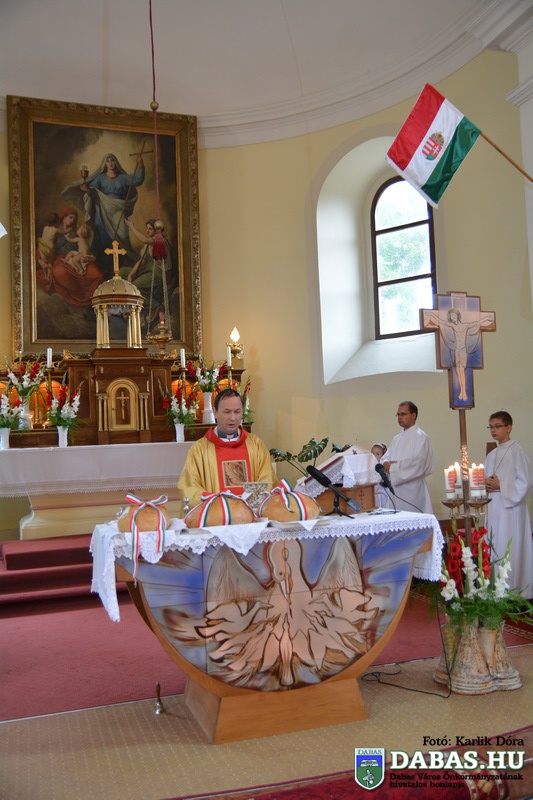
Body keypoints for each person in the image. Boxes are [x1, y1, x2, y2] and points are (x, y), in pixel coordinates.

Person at [178, 388, 277, 507]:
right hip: (217, 514)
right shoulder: (199, 450)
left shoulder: (256, 445)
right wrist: (218, 504)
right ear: (215, 412)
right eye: (227, 412)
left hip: (251, 513)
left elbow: (267, 480)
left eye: (237, 412)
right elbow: (189, 487)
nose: (233, 418)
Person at [63, 152, 145, 274]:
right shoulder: (100, 178)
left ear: (116, 162)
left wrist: (141, 165)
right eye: (108, 161)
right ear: (104, 164)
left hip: (117, 210)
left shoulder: (123, 178)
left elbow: (138, 180)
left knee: (122, 234)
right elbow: (93, 191)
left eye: (112, 161)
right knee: (101, 235)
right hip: (102, 211)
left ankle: (120, 264)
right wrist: (87, 190)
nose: (110, 163)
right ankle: (102, 265)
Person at [485, 411, 533, 596]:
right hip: (494, 506)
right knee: (495, 546)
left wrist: (501, 485)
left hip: (511, 509)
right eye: (491, 427)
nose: (493, 430)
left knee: (509, 548)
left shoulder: (517, 451)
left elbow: (526, 483)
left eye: (497, 426)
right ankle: (496, 590)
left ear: (509, 427)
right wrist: (485, 484)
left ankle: (514, 591)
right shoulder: (492, 454)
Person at [36, 207, 104, 307]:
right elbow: (43, 247)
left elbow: (86, 249)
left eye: (74, 219)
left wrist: (90, 257)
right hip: (60, 260)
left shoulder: (78, 233)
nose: (72, 220)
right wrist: (41, 259)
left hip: (78, 258)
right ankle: (79, 296)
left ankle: (92, 301)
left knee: (97, 274)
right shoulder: (54, 230)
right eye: (70, 217)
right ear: (63, 217)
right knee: (60, 272)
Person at [382, 401, 434, 513]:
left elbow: (418, 464)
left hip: (413, 492)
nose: (399, 417)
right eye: (398, 414)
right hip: (396, 491)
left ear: (413, 415)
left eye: (403, 414)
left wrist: (392, 467)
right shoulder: (396, 439)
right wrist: (386, 463)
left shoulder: (421, 437)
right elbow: (386, 458)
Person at [370, 442, 388, 508]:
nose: (374, 456)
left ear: (383, 456)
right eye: (373, 453)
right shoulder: (368, 468)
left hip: (381, 499)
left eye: (377, 454)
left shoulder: (383, 470)